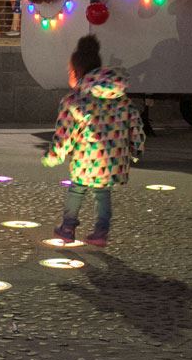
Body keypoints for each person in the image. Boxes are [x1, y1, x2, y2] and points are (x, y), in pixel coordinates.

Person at [43, 35, 144, 246]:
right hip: (112, 159)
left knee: (77, 189)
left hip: (85, 158)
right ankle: (101, 232)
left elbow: (66, 132)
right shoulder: (121, 99)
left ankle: (67, 228)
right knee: (103, 192)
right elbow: (135, 124)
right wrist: (136, 149)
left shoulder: (75, 100)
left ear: (76, 73)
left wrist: (55, 154)